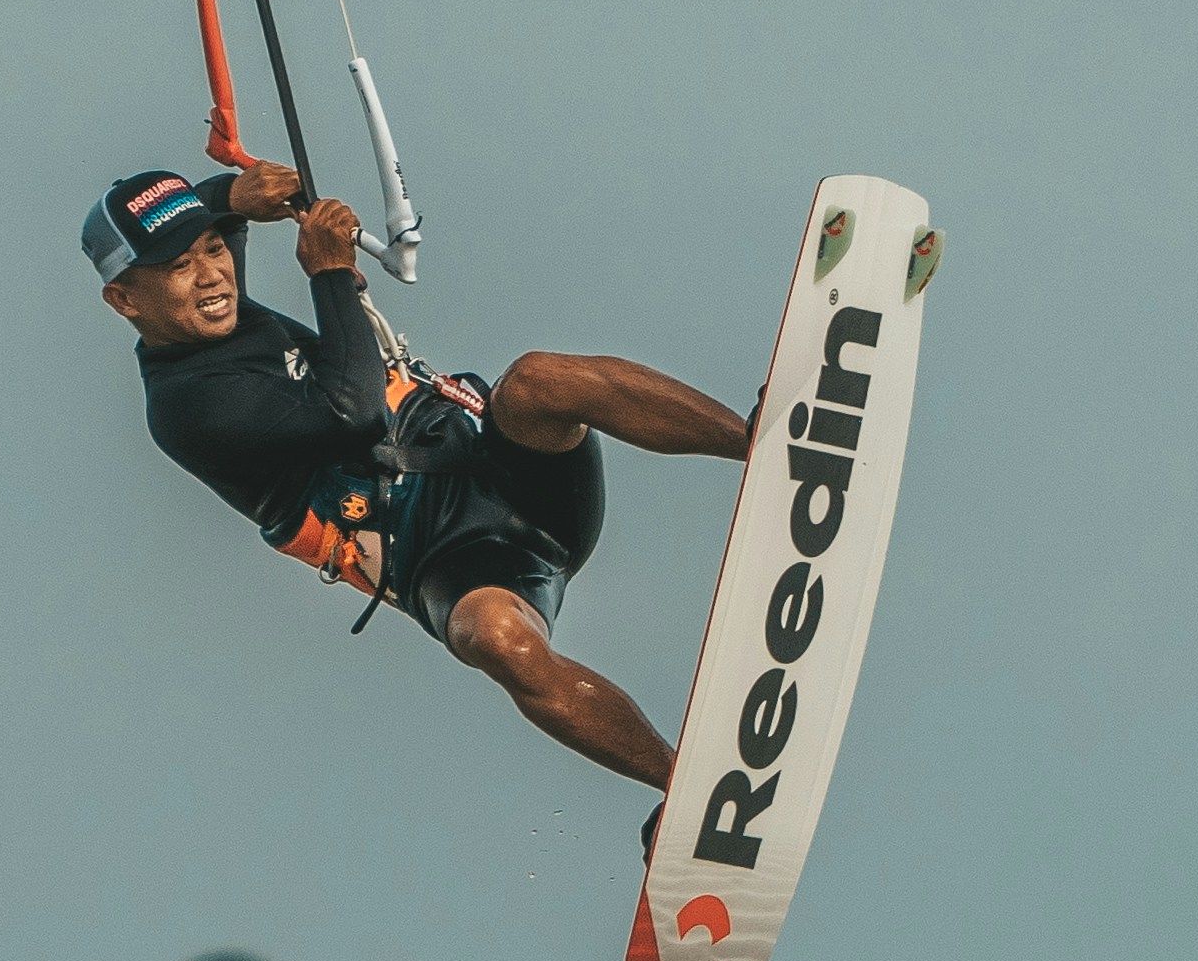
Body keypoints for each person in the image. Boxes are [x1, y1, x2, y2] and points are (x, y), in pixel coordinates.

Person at [87, 163, 749, 787]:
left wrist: (235, 196)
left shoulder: (204, 294)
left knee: (540, 380)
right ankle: (682, 785)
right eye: (180, 265)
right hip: (440, 556)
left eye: (212, 249)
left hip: (498, 470)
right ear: (124, 298)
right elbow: (354, 413)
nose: (211, 276)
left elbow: (212, 209)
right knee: (498, 640)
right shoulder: (188, 407)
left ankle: (757, 440)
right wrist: (332, 275)